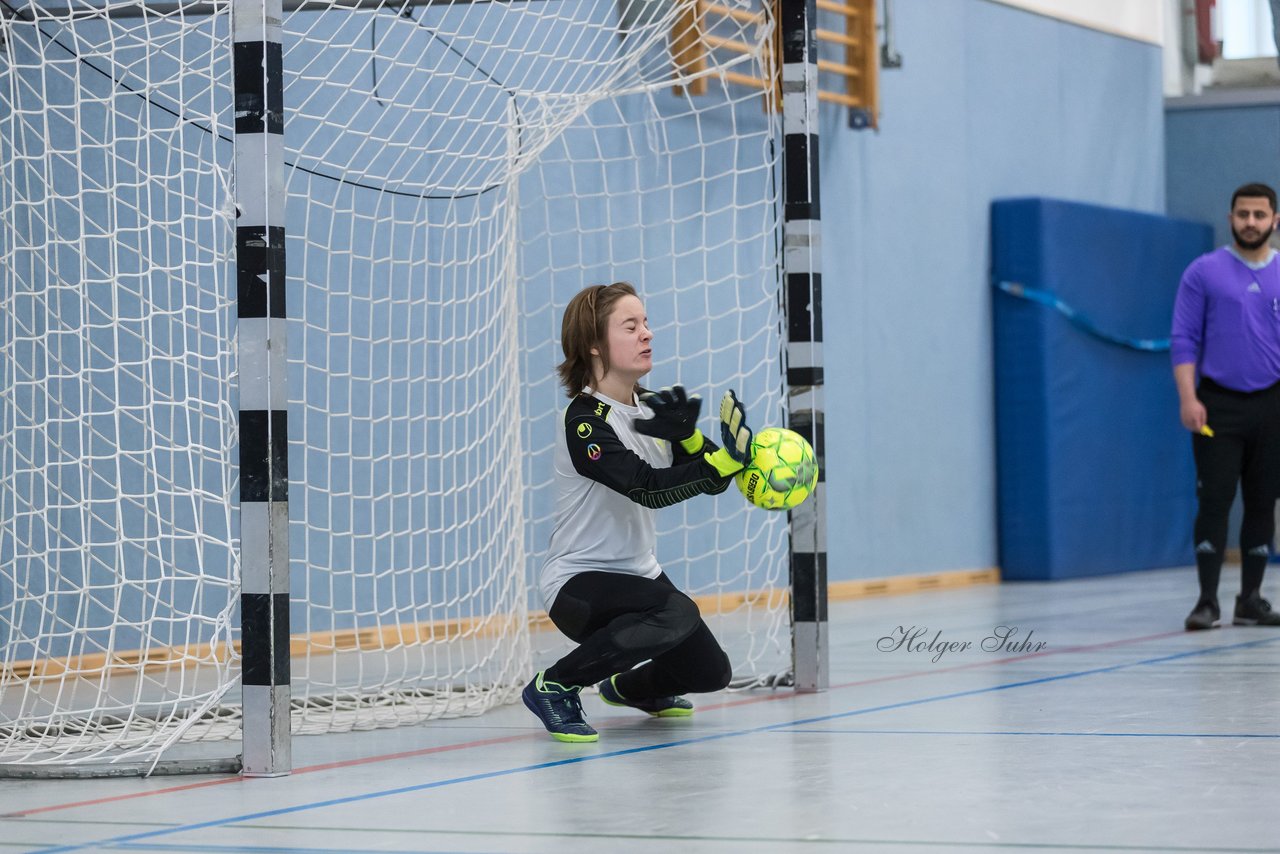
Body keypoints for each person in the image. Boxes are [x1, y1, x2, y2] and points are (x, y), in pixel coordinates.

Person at [522, 282, 754, 742]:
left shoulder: (649, 407)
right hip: (578, 584)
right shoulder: (585, 421)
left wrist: (689, 439)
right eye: (631, 326)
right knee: (675, 611)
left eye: (645, 323)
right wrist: (721, 459)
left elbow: (712, 479)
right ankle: (555, 685)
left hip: (639, 576)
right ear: (593, 344)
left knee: (711, 673)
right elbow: (647, 488)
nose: (647, 333)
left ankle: (629, 689)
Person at [1171, 182, 1280, 631]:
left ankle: (1250, 599)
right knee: (1214, 500)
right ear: (1231, 217)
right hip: (1217, 404)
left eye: (1259, 215)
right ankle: (1207, 601)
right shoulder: (1204, 272)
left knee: (1262, 501)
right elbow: (1183, 338)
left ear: (1275, 220)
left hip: (1272, 403)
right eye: (1242, 214)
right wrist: (1188, 396)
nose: (1250, 222)